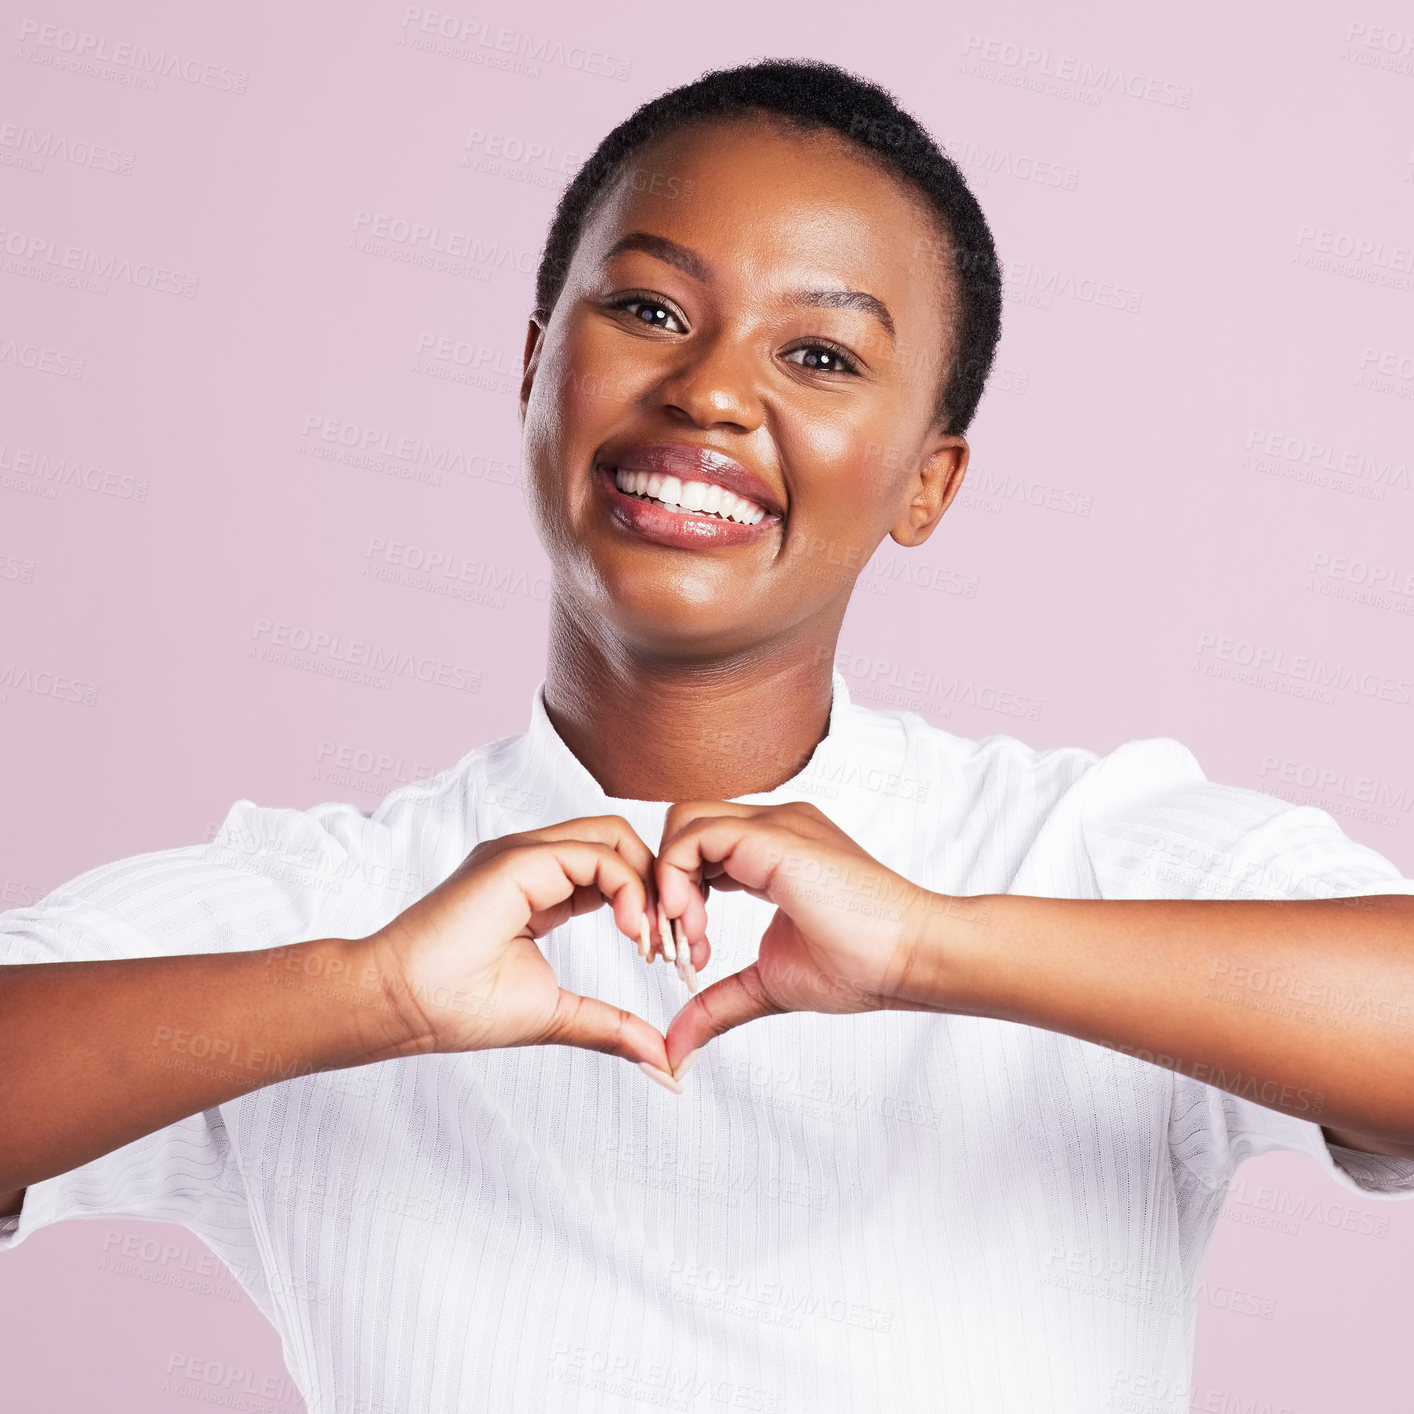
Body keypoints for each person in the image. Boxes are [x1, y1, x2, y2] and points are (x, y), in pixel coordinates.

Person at [3, 58, 1413, 1414]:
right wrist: (370, 993)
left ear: (927, 482)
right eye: (652, 311)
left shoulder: (1072, 854)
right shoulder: (328, 910)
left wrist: (939, 946)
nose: (712, 391)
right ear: (533, 365)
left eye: (818, 352)